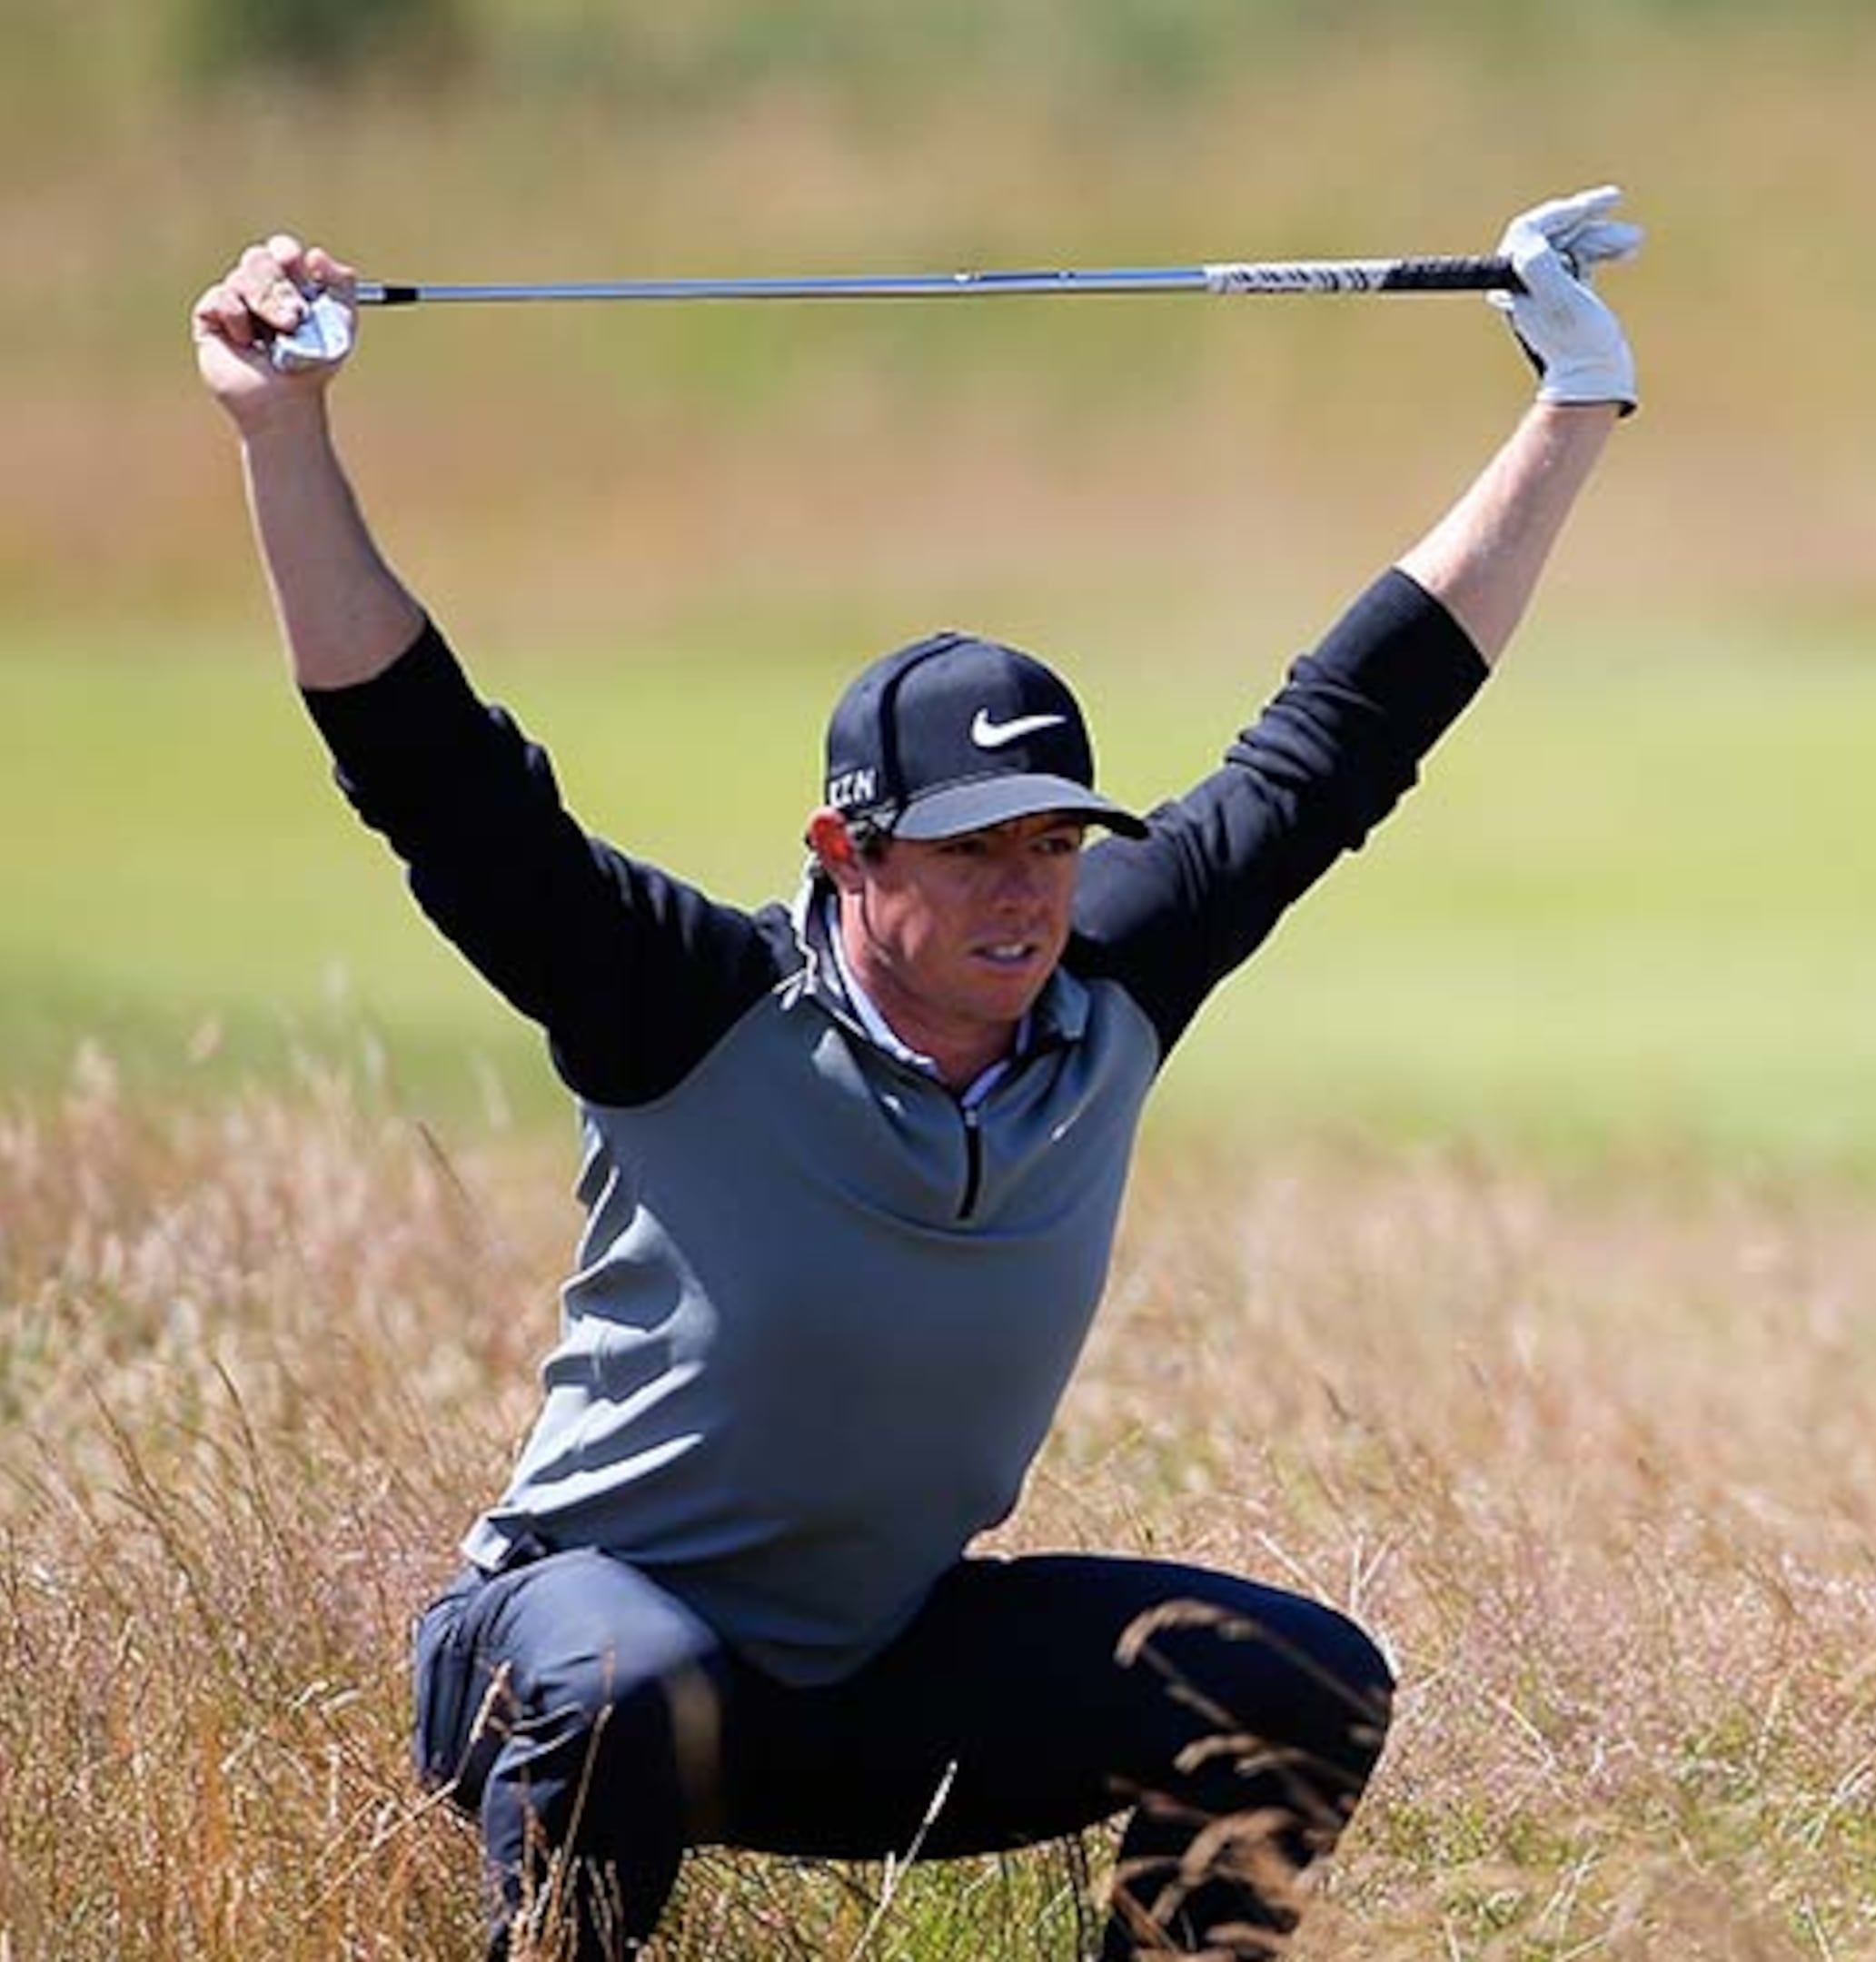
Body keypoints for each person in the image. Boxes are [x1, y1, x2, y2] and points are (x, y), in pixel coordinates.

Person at [188, 188, 1637, 1960]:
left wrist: (1567, 412)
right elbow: (428, 769)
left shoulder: (1109, 983)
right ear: (844, 849)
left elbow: (1342, 732)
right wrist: (283, 430)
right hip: (566, 1649)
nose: (1026, 889)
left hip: (866, 1667)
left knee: (1297, 1682)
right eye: (968, 850)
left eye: (1051, 841)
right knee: (625, 1680)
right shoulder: (689, 1000)